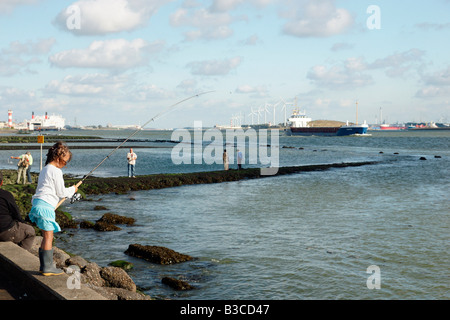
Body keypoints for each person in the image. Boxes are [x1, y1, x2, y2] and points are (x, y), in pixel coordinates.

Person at [29, 141, 79, 276]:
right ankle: (47, 268)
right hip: (45, 207)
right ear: (57, 158)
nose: (65, 165)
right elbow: (62, 192)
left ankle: (44, 266)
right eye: (64, 162)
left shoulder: (45, 168)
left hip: (38, 204)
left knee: (46, 236)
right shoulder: (56, 171)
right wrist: (73, 189)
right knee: (48, 236)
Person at [0, 171, 36, 252]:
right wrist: (23, 222)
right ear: (2, 182)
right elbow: (16, 213)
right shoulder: (6, 195)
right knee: (30, 231)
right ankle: (20, 254)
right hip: (5, 231)